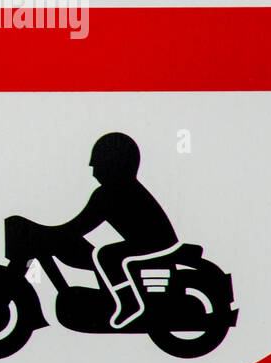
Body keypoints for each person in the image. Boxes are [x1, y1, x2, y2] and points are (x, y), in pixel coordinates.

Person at [48, 132, 179, 328]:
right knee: (103, 255)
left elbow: (80, 226)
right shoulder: (121, 189)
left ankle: (129, 303)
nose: (93, 171)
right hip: (152, 242)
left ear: (114, 164)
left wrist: (46, 234)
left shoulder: (110, 194)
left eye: (97, 164)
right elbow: (78, 227)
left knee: (106, 255)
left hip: (156, 244)